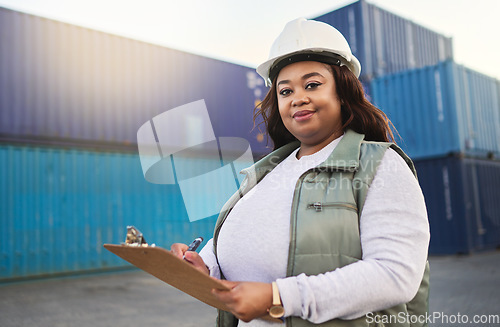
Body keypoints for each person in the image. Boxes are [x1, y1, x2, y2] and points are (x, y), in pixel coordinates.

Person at [171, 18, 430, 327]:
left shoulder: (380, 165)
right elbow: (239, 249)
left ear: (343, 92)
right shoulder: (265, 173)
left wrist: (278, 296)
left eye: (312, 84)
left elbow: (395, 274)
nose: (297, 98)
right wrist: (204, 268)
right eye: (285, 91)